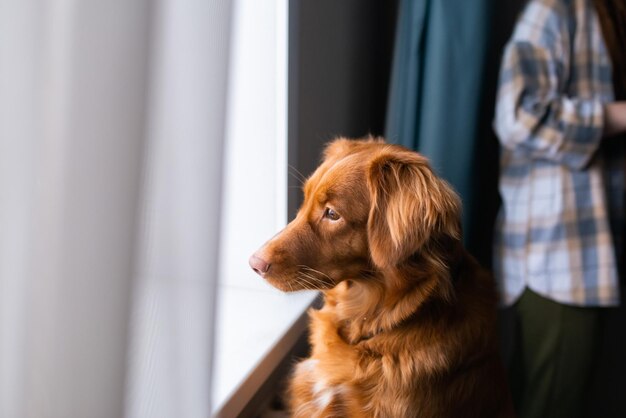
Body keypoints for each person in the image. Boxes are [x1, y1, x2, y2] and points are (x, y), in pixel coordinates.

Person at [493, 0, 626, 417]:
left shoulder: (605, 17)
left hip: (587, 252)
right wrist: (614, 115)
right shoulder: (554, 10)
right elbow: (516, 116)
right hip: (558, 258)